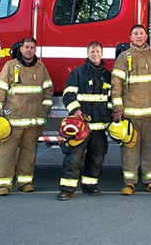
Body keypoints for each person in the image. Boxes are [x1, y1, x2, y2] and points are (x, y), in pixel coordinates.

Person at [0, 37, 53, 196]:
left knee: (29, 153)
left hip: (33, 121)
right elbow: (0, 89)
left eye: (32, 47)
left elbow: (48, 89)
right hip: (13, 120)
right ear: (21, 48)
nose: (29, 50)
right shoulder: (10, 66)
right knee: (7, 152)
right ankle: (3, 184)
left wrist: (45, 109)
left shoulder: (41, 68)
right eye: (27, 47)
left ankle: (25, 182)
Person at [110, 24, 151, 195]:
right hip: (131, 113)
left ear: (146, 36)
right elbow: (116, 85)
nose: (139, 37)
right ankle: (130, 182)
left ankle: (150, 181)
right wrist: (118, 107)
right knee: (130, 148)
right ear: (131, 38)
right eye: (135, 34)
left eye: (141, 34)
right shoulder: (123, 57)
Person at [57, 41, 112, 201]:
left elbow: (111, 99)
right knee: (74, 157)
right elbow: (68, 94)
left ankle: (90, 185)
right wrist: (76, 110)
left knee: (97, 157)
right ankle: (67, 189)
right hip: (82, 127)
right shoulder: (78, 73)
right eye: (92, 52)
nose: (95, 54)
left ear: (102, 53)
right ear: (87, 54)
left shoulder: (107, 75)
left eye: (97, 51)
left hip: (100, 126)